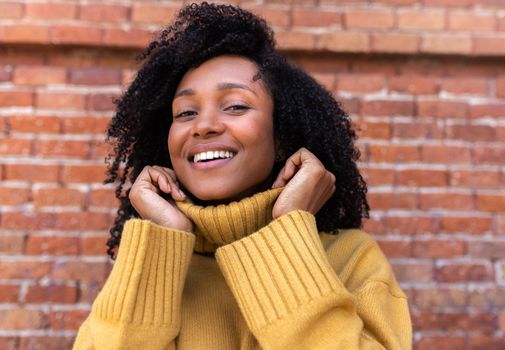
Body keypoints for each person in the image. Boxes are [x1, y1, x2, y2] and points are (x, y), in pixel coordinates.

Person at [73, 2, 412, 349]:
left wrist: (287, 229)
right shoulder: (154, 263)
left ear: (282, 136)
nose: (204, 126)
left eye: (235, 105)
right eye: (186, 112)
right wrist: (164, 238)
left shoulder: (351, 258)